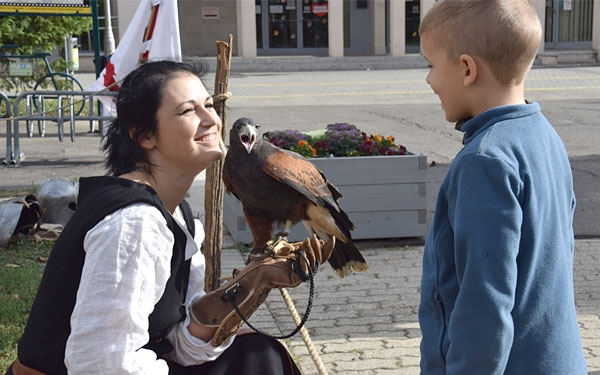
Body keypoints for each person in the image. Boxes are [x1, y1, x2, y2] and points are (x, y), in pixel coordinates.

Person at [6, 60, 334, 375]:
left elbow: (178, 347)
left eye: (209, 106)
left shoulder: (180, 216)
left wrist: (247, 286)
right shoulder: (133, 224)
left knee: (258, 355)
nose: (211, 120)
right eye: (188, 110)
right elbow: (102, 366)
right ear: (144, 136)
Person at [417, 0, 588, 374]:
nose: (428, 79)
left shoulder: (484, 161)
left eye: (431, 65)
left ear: (466, 69)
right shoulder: (545, 136)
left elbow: (484, 307)